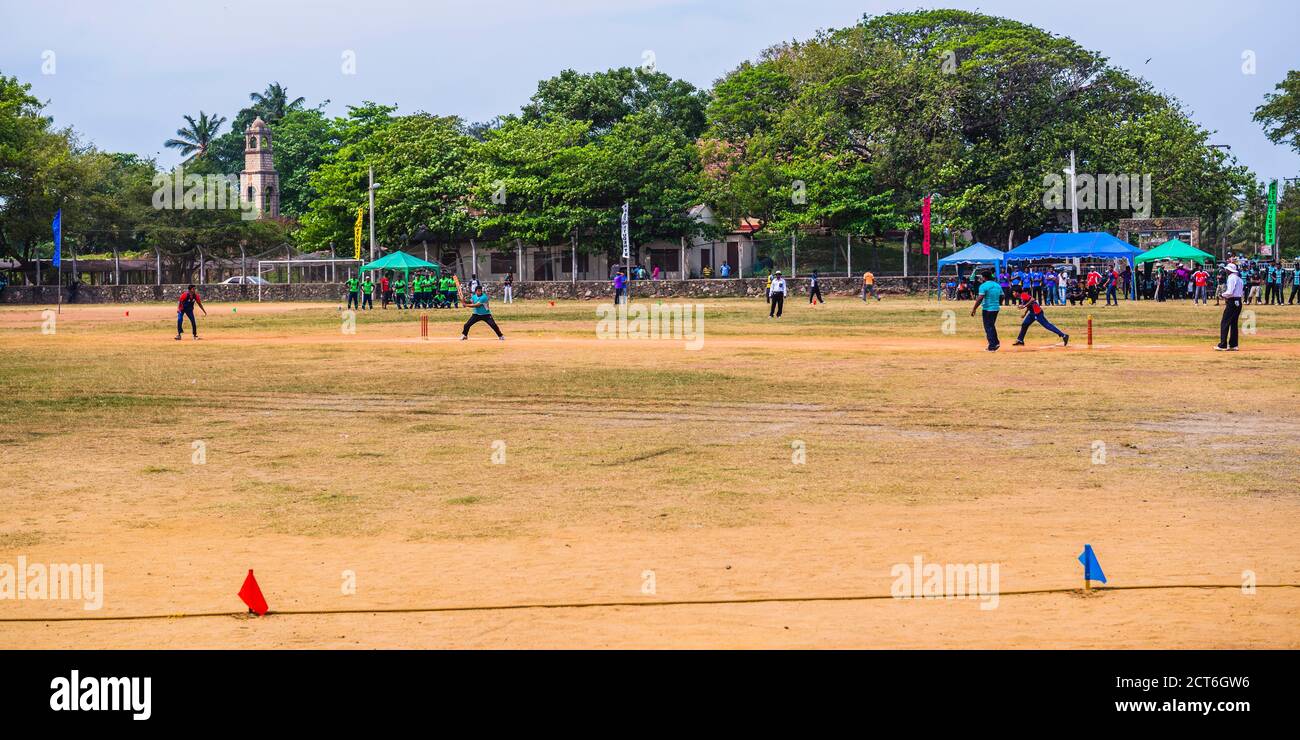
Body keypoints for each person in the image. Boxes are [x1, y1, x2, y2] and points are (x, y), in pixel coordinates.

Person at [970, 271, 1001, 351]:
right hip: (996, 308)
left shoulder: (983, 286)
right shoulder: (997, 285)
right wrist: (998, 303)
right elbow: (1002, 295)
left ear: (984, 277)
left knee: (988, 327)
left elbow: (980, 298)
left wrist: (974, 308)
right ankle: (996, 342)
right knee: (991, 326)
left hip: (987, 309)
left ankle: (992, 346)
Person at [1217, 262, 1243, 351]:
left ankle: (1223, 345)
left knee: (1225, 322)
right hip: (1238, 301)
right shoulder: (1239, 279)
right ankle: (1233, 344)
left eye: (1227, 269)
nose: (1226, 270)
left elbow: (1230, 291)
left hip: (1232, 301)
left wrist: (1222, 295)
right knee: (1234, 323)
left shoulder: (1231, 278)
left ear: (1229, 270)